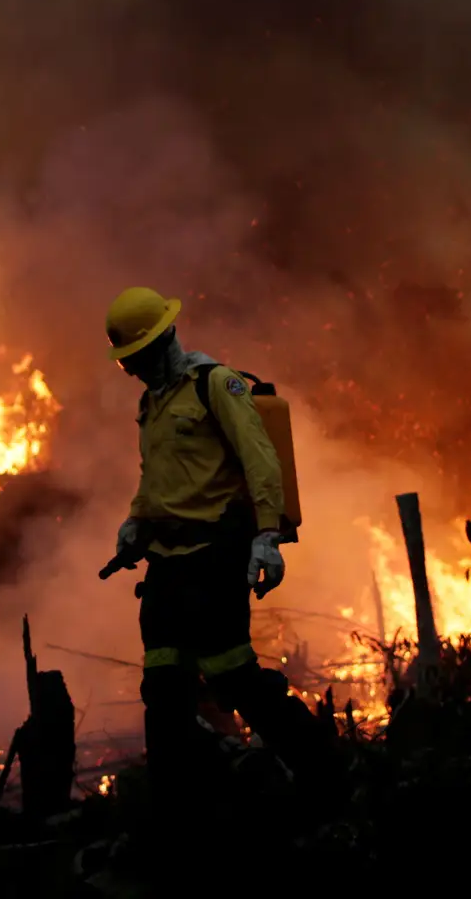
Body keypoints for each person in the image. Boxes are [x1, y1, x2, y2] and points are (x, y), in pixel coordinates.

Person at [103, 285, 337, 815]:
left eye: (138, 359)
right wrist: (135, 521)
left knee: (235, 679)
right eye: (127, 366)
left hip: (213, 559)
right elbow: (156, 477)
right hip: (166, 565)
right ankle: (177, 811)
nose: (135, 372)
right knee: (163, 689)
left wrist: (266, 537)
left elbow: (260, 461)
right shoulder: (153, 404)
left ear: (165, 340)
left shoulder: (217, 386)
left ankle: (324, 774)